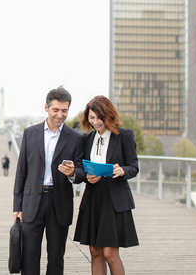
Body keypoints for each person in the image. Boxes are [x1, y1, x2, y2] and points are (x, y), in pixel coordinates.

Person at [13, 86, 85, 275]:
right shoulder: (30, 133)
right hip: (31, 203)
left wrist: (72, 173)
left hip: (59, 202)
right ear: (46, 107)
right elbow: (22, 171)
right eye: (56, 110)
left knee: (55, 258)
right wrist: (16, 205)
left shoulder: (76, 138)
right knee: (28, 256)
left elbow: (81, 171)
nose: (60, 115)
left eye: (64, 111)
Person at [73, 95, 139, 275]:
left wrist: (122, 171)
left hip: (114, 199)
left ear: (108, 114)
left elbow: (134, 166)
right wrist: (87, 177)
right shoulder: (87, 139)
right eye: (91, 118)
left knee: (110, 253)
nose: (95, 122)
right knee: (95, 251)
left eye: (99, 117)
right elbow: (83, 168)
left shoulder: (124, 135)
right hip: (93, 197)